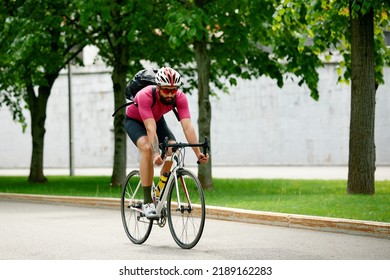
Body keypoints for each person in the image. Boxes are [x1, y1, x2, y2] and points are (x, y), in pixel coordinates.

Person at [125, 66, 209, 218]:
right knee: (147, 149)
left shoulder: (180, 97)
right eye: (166, 90)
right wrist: (157, 152)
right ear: (158, 88)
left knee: (173, 149)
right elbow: (150, 129)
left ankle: (159, 192)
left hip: (157, 120)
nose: (170, 94)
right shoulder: (145, 95)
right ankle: (147, 201)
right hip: (135, 121)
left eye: (173, 90)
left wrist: (198, 154)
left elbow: (188, 127)